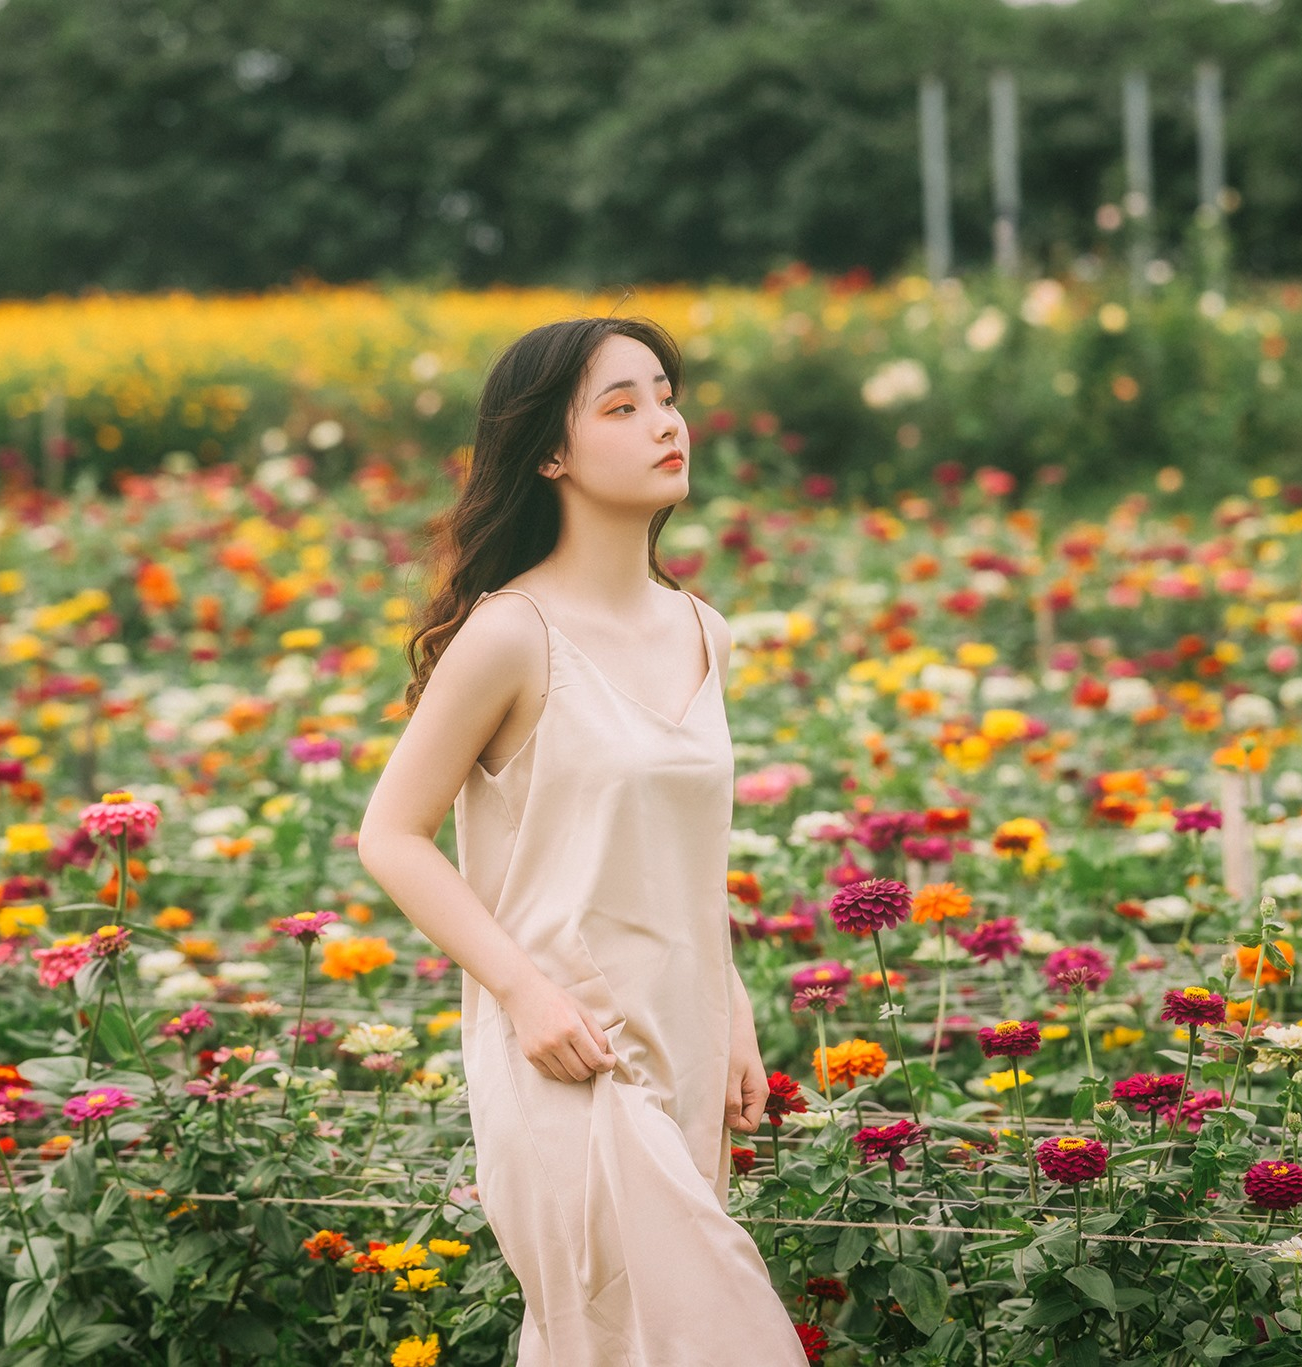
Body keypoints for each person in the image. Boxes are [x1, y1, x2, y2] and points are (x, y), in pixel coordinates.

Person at [357, 315, 812, 1366]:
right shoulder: (511, 633)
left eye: (665, 394)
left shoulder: (703, 630)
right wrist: (522, 992)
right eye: (622, 406)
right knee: (716, 1342)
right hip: (568, 1054)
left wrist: (732, 1003)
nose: (665, 423)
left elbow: (685, 857)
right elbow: (391, 834)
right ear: (549, 453)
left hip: (684, 1040)